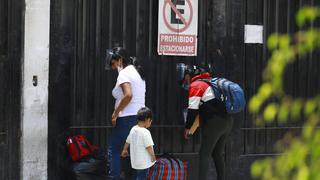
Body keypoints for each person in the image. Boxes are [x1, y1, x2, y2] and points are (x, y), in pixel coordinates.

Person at [183, 65, 233, 180]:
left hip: (214, 123)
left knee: (204, 154)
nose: (185, 80)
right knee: (217, 153)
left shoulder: (196, 85)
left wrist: (187, 127)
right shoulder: (211, 82)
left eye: (185, 77)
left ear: (189, 75)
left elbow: (193, 110)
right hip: (228, 121)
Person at [105, 47, 146, 179]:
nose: (112, 67)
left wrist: (116, 113)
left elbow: (128, 95)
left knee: (114, 150)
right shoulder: (137, 72)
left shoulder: (124, 73)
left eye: (113, 63)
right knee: (136, 153)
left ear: (120, 60)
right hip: (140, 118)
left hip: (127, 118)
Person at [121, 107, 156, 180]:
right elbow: (149, 147)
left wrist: (124, 149)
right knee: (142, 177)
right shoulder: (145, 132)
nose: (150, 123)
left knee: (137, 176)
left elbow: (128, 141)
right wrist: (153, 158)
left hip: (135, 162)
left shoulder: (133, 129)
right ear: (147, 120)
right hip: (144, 163)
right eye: (150, 121)